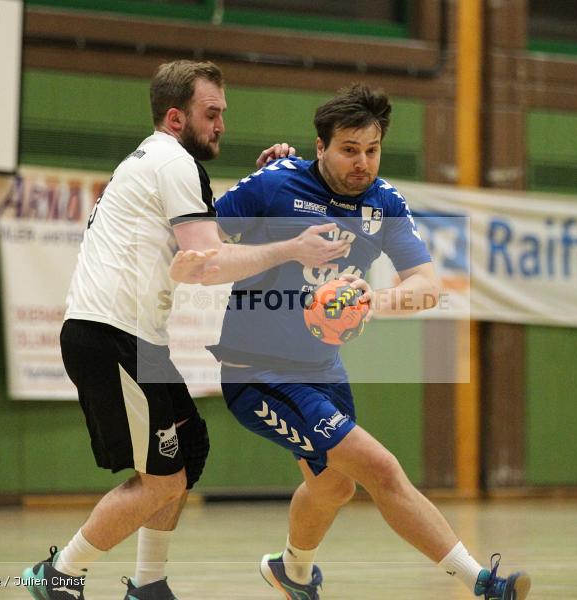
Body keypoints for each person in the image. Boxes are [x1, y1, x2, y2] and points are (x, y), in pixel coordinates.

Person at [171, 83, 530, 600]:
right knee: (380, 468)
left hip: (322, 369)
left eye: (372, 150)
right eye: (349, 150)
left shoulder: (383, 203)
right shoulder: (275, 184)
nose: (363, 163)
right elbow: (203, 238)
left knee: (334, 485)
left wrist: (373, 302)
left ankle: (291, 571)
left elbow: (427, 287)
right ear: (320, 147)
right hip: (258, 373)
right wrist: (270, 237)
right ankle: (483, 583)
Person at [23, 60, 350, 600]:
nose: (221, 124)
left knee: (187, 450)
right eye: (212, 113)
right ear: (176, 118)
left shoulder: (158, 162)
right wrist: (295, 247)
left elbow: (206, 230)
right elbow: (212, 262)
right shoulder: (173, 163)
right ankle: (60, 572)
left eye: (223, 113)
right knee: (164, 479)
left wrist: (265, 176)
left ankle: (149, 585)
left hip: (134, 339)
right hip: (111, 337)